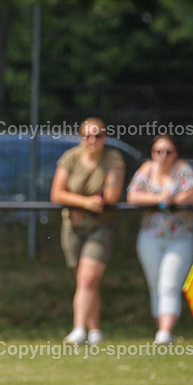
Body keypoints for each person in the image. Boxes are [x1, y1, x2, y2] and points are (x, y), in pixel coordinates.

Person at [50, 118, 125, 345]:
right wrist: (84, 203)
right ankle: (95, 331)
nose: (92, 141)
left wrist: (89, 203)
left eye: (97, 136)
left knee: (87, 279)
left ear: (105, 138)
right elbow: (57, 194)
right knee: (85, 282)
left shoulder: (113, 159)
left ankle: (78, 330)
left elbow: (111, 195)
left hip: (101, 227)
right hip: (72, 227)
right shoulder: (71, 157)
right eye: (87, 136)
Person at [126, 135, 193, 345]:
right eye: (158, 151)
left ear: (176, 153)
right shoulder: (147, 168)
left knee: (169, 283)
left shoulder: (183, 168)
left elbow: (192, 195)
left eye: (168, 151)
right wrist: (160, 200)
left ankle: (165, 332)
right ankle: (162, 330)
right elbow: (132, 195)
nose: (163, 156)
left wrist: (171, 200)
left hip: (180, 236)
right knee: (156, 283)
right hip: (150, 235)